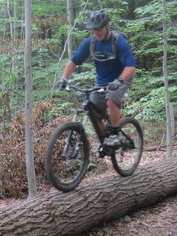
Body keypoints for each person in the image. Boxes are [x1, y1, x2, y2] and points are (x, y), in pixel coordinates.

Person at [58, 10, 137, 147]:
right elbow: (74, 61)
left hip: (121, 77)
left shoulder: (118, 42)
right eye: (93, 29)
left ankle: (114, 134)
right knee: (92, 110)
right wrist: (63, 78)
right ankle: (106, 140)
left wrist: (119, 81)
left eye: (99, 28)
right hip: (102, 81)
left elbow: (131, 66)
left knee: (111, 99)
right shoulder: (91, 42)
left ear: (107, 26)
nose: (96, 32)